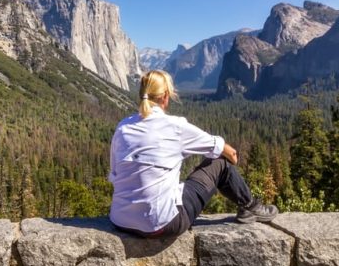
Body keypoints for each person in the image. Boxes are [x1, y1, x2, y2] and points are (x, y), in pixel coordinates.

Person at [108, 70, 278, 238]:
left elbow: (115, 174)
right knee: (220, 162)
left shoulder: (122, 128)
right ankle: (251, 207)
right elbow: (230, 154)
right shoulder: (175, 126)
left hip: (120, 220)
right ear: (165, 95)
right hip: (161, 224)